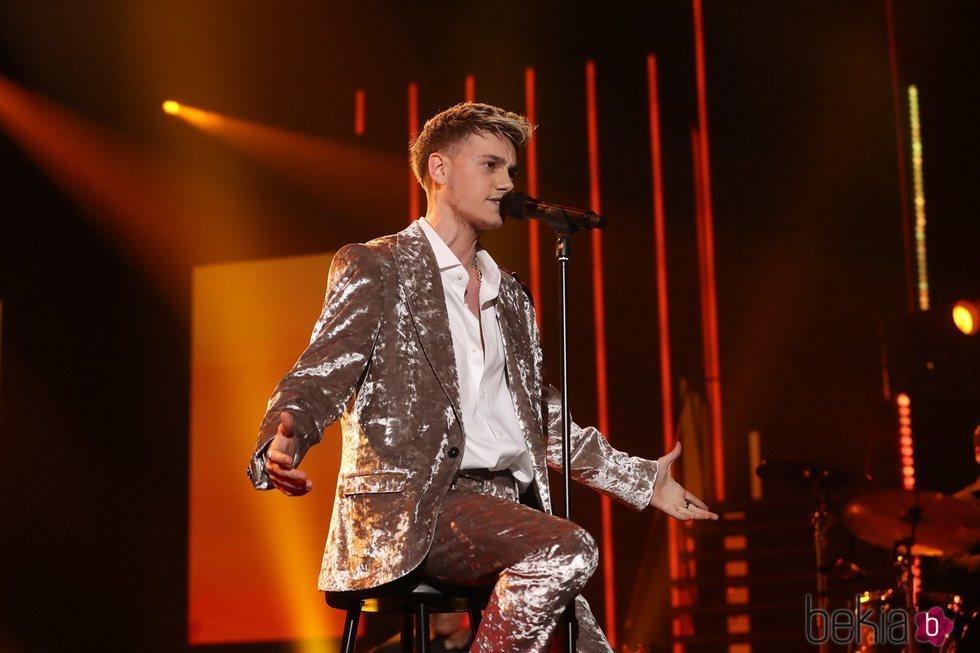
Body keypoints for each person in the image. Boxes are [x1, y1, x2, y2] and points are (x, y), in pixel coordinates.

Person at [247, 102, 718, 652]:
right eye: (491, 166)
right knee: (569, 549)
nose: (507, 183)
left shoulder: (511, 295)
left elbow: (542, 420)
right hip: (416, 508)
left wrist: (638, 478)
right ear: (440, 170)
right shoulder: (380, 266)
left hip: (501, 512)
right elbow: (320, 372)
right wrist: (285, 440)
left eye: (512, 171)